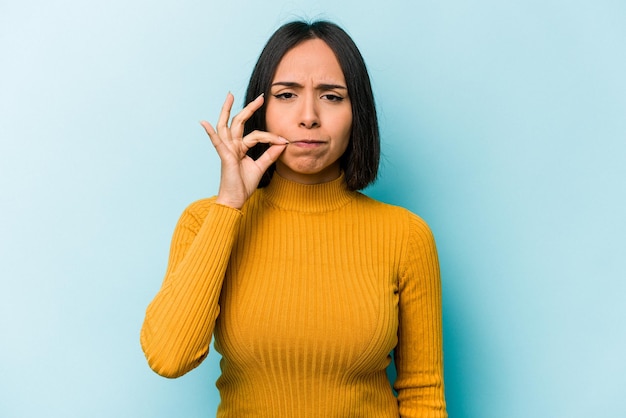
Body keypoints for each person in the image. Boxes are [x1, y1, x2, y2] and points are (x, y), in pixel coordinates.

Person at [140, 20, 447, 417]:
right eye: (286, 95)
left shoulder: (405, 235)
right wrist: (229, 206)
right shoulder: (205, 221)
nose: (309, 117)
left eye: (332, 97)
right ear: (260, 109)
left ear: (358, 113)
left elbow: (423, 395)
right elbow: (169, 356)